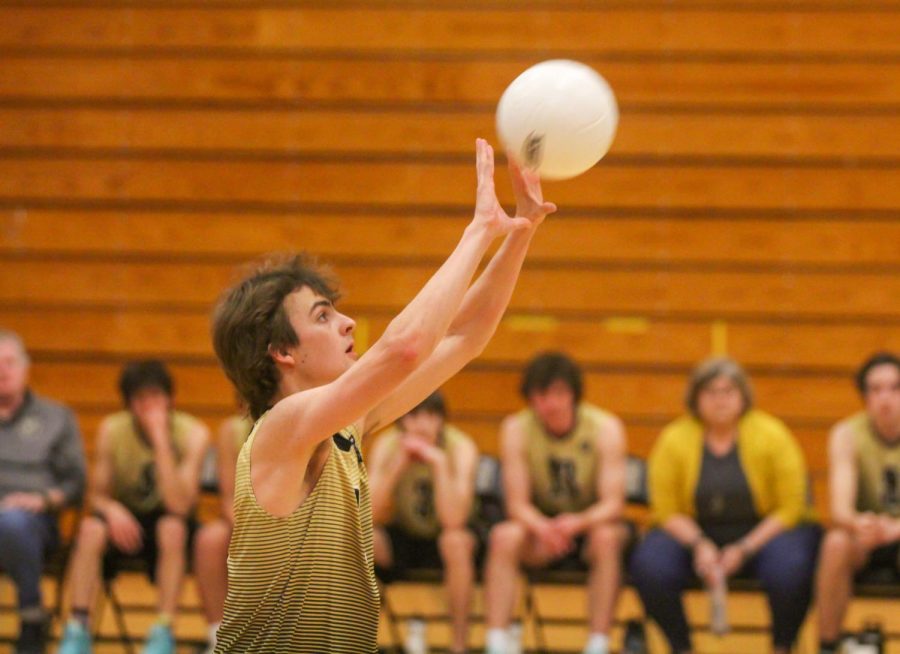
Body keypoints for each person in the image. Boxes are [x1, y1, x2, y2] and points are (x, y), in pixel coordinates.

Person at [209, 139, 554, 653]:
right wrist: (479, 229)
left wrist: (522, 230)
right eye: (323, 316)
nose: (347, 322)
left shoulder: (346, 425)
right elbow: (406, 347)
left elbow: (465, 336)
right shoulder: (280, 428)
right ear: (282, 350)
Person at [629, 357, 820, 654]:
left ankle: (782, 646)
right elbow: (664, 510)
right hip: (695, 532)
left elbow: (792, 507)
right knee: (650, 565)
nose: (720, 400)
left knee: (791, 568)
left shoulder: (772, 435)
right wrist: (699, 544)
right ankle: (681, 647)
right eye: (711, 392)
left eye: (728, 391)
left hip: (763, 532)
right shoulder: (673, 440)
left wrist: (744, 548)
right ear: (695, 399)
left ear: (743, 396)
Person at [58, 360, 209, 654]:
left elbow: (180, 505)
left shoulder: (193, 433)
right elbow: (97, 496)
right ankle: (77, 628)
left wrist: (160, 440)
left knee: (172, 528)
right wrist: (112, 511)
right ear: (128, 405)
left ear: (171, 400)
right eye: (141, 399)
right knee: (90, 528)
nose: (149, 406)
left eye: (156, 397)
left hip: (171, 521)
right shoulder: (111, 431)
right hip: (126, 520)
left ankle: (163, 631)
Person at [483, 351, 628, 654]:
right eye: (541, 395)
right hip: (541, 527)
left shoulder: (605, 427)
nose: (550, 403)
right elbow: (516, 504)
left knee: (607, 537)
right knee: (503, 536)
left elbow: (614, 504)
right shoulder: (516, 428)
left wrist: (578, 523)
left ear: (574, 394)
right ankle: (496, 643)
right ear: (530, 398)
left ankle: (597, 644)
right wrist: (543, 527)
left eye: (558, 393)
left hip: (589, 525)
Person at [369, 390, 479, 654]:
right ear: (401, 420)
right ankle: (354, 639)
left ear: (442, 420)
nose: (421, 425)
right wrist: (398, 466)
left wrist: (439, 465)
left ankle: (459, 645)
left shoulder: (460, 447)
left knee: (456, 542)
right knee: (359, 537)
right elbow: (367, 511)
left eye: (431, 416)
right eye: (413, 416)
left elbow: (455, 521)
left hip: (446, 539)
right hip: (405, 535)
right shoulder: (388, 445)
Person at [0, 330, 86, 654]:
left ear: (25, 368)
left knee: (11, 523)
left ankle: (32, 615)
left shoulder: (56, 417)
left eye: (9, 363)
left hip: (34, 523)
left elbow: (76, 484)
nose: (2, 371)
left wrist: (44, 500)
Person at [816, 352, 900, 654]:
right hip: (866, 534)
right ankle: (827, 645)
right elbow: (840, 509)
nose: (885, 398)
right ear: (864, 395)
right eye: (875, 389)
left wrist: (895, 529)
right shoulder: (847, 434)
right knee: (835, 543)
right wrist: (861, 523)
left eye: (894, 388)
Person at [192, 412, 253, 654]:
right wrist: (252, 531)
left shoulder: (303, 418)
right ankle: (219, 638)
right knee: (210, 539)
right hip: (246, 520)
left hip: (295, 518)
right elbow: (229, 499)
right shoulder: (232, 429)